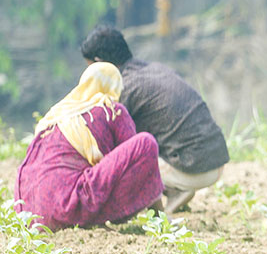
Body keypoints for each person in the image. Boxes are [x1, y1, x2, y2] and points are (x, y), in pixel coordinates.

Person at [80, 25, 230, 212]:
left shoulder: (124, 88)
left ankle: (170, 193)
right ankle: (175, 190)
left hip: (193, 167)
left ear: (99, 62)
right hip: (216, 160)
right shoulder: (154, 68)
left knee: (118, 160)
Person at [15, 62, 164, 230]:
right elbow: (139, 166)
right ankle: (160, 218)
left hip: (28, 214)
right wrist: (159, 212)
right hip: (66, 208)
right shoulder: (112, 110)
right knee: (145, 143)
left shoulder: (55, 116)